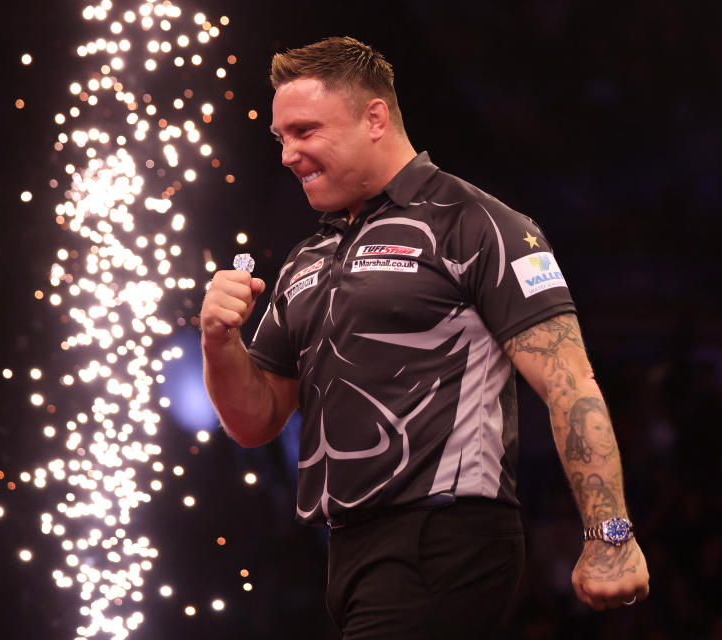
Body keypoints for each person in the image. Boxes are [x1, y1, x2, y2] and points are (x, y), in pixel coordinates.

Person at [200, 36, 649, 638]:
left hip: (445, 538)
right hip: (348, 550)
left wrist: (609, 535)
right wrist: (218, 342)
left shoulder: (477, 223)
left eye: (305, 131)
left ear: (375, 118)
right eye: (281, 138)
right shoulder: (309, 258)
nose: (287, 155)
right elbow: (255, 422)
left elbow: (570, 382)